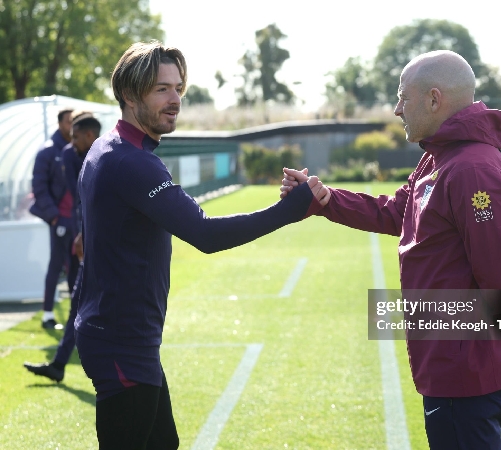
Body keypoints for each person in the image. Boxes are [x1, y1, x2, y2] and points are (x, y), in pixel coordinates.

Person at [281, 50, 501, 450]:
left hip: (465, 364)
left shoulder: (470, 168)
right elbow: (396, 212)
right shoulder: (439, 158)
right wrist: (326, 199)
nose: (396, 108)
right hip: (447, 357)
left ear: (434, 99)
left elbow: (497, 265)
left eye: (403, 97)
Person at [74, 41, 328, 449]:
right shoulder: (130, 161)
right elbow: (205, 234)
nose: (175, 99)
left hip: (123, 337)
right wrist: (292, 209)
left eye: (178, 88)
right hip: (122, 342)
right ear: (128, 94)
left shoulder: (109, 149)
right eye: (161, 89)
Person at [24, 112, 101, 383]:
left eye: (76, 134)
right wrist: (77, 230)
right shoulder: (67, 154)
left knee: (88, 299)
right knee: (77, 295)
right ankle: (59, 362)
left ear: (89, 135)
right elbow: (82, 197)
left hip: (104, 241)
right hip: (81, 234)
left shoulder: (108, 152)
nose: (71, 139)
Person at [29, 108, 78, 330]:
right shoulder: (48, 151)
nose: (72, 126)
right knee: (57, 265)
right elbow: (39, 187)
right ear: (60, 124)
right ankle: (48, 314)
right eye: (69, 122)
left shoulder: (79, 149)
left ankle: (75, 317)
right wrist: (54, 217)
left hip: (76, 221)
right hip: (60, 220)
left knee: (77, 269)